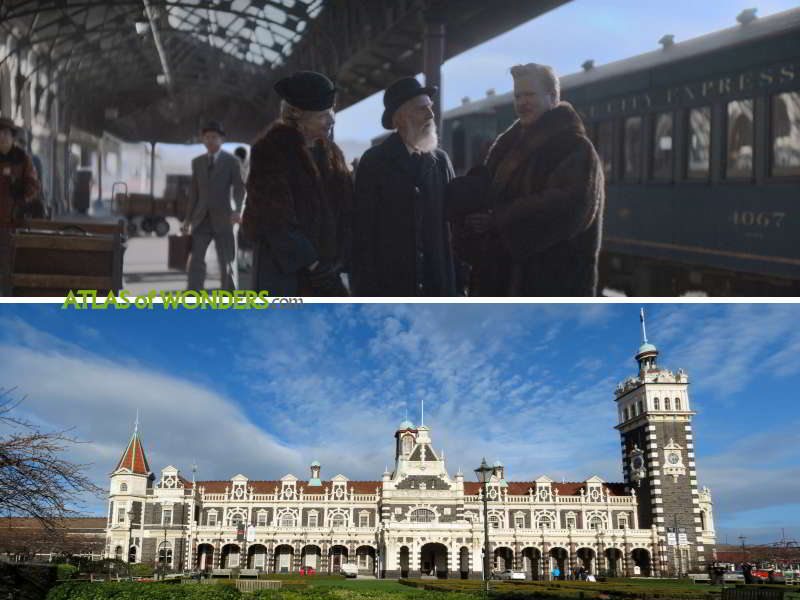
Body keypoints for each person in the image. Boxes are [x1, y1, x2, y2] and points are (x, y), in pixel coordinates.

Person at [450, 63, 605, 296]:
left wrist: (499, 220)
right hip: (503, 283)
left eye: (530, 94)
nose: (522, 102)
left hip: (550, 286)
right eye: (518, 95)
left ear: (552, 97)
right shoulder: (506, 146)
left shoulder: (575, 147)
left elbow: (571, 207)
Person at [242, 71, 352, 296]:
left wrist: (339, 261)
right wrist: (314, 265)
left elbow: (347, 211)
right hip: (285, 276)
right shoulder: (269, 151)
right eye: (322, 114)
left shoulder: (333, 154)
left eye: (331, 112)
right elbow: (275, 220)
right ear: (297, 116)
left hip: (327, 273)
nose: (331, 120)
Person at [352, 77, 457, 296]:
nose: (430, 115)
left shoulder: (441, 161)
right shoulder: (375, 162)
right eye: (421, 109)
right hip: (391, 287)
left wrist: (459, 281)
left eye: (430, 108)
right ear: (399, 119)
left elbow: (454, 225)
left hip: (438, 286)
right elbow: (363, 234)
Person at [182, 121, 245, 291]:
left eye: (214, 137)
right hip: (201, 219)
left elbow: (239, 188)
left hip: (224, 219)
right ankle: (193, 296)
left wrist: (238, 211)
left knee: (226, 261)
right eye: (207, 137)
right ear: (202, 140)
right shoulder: (197, 162)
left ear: (221, 140)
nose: (210, 140)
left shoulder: (231, 162)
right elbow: (194, 193)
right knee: (196, 260)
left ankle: (229, 297)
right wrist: (187, 220)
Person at [0, 116, 40, 295]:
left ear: (12, 136)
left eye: (5, 133)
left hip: (13, 223)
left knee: (11, 267)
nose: (1, 137)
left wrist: (22, 200)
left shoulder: (22, 159)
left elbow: (33, 186)